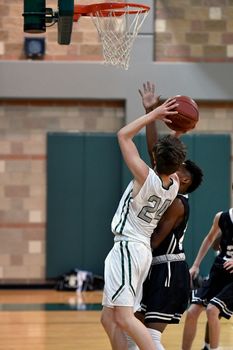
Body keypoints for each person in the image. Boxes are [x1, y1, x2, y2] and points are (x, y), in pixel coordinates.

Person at [100, 96, 187, 350]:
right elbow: (170, 158)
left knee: (125, 318)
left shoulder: (145, 176)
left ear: (155, 160)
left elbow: (123, 135)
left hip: (129, 247)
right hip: (140, 252)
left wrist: (154, 113)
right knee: (109, 317)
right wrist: (175, 134)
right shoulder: (175, 185)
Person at [126, 81, 203, 350]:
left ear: (183, 180)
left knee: (151, 335)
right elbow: (156, 156)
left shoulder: (177, 203)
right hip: (155, 266)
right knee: (132, 328)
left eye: (179, 168)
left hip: (168, 269)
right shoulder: (168, 189)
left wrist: (130, 249)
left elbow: (156, 239)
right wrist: (150, 111)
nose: (172, 166)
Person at [181, 207, 233, 350]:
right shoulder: (221, 217)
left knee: (212, 310)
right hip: (218, 272)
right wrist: (196, 265)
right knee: (191, 312)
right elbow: (210, 238)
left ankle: (211, 348)